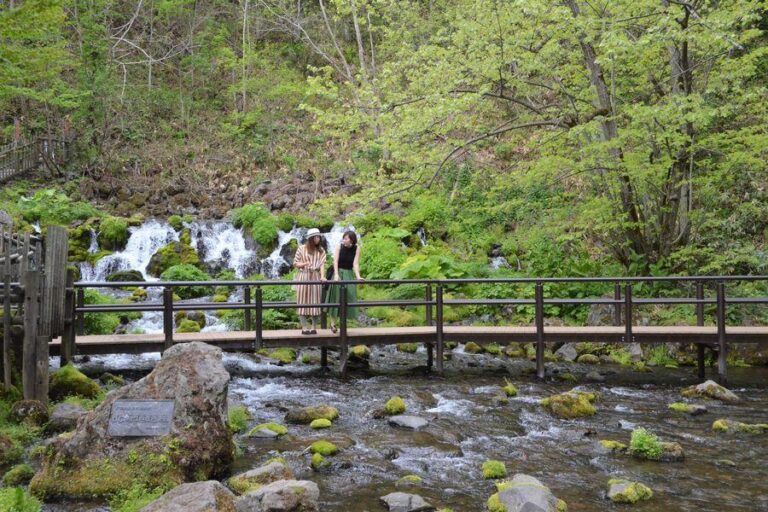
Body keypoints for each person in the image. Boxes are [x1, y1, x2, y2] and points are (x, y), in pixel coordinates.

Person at [325, 230, 364, 333]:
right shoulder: (339, 247)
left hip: (349, 274)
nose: (344, 240)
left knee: (349, 297)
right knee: (335, 298)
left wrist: (358, 276)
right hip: (339, 273)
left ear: (352, 240)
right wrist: (336, 275)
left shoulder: (356, 248)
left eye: (346, 238)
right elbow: (335, 261)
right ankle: (333, 324)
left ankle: (343, 324)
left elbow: (355, 264)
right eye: (344, 238)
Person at [293, 228, 327, 334]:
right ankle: (304, 327)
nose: (317, 239)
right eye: (315, 237)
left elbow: (322, 265)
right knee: (302, 301)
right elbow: (295, 263)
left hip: (315, 276)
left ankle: (313, 327)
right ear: (311, 238)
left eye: (318, 237)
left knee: (315, 301)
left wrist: (322, 276)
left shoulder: (321, 250)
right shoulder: (301, 249)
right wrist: (304, 264)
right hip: (303, 276)